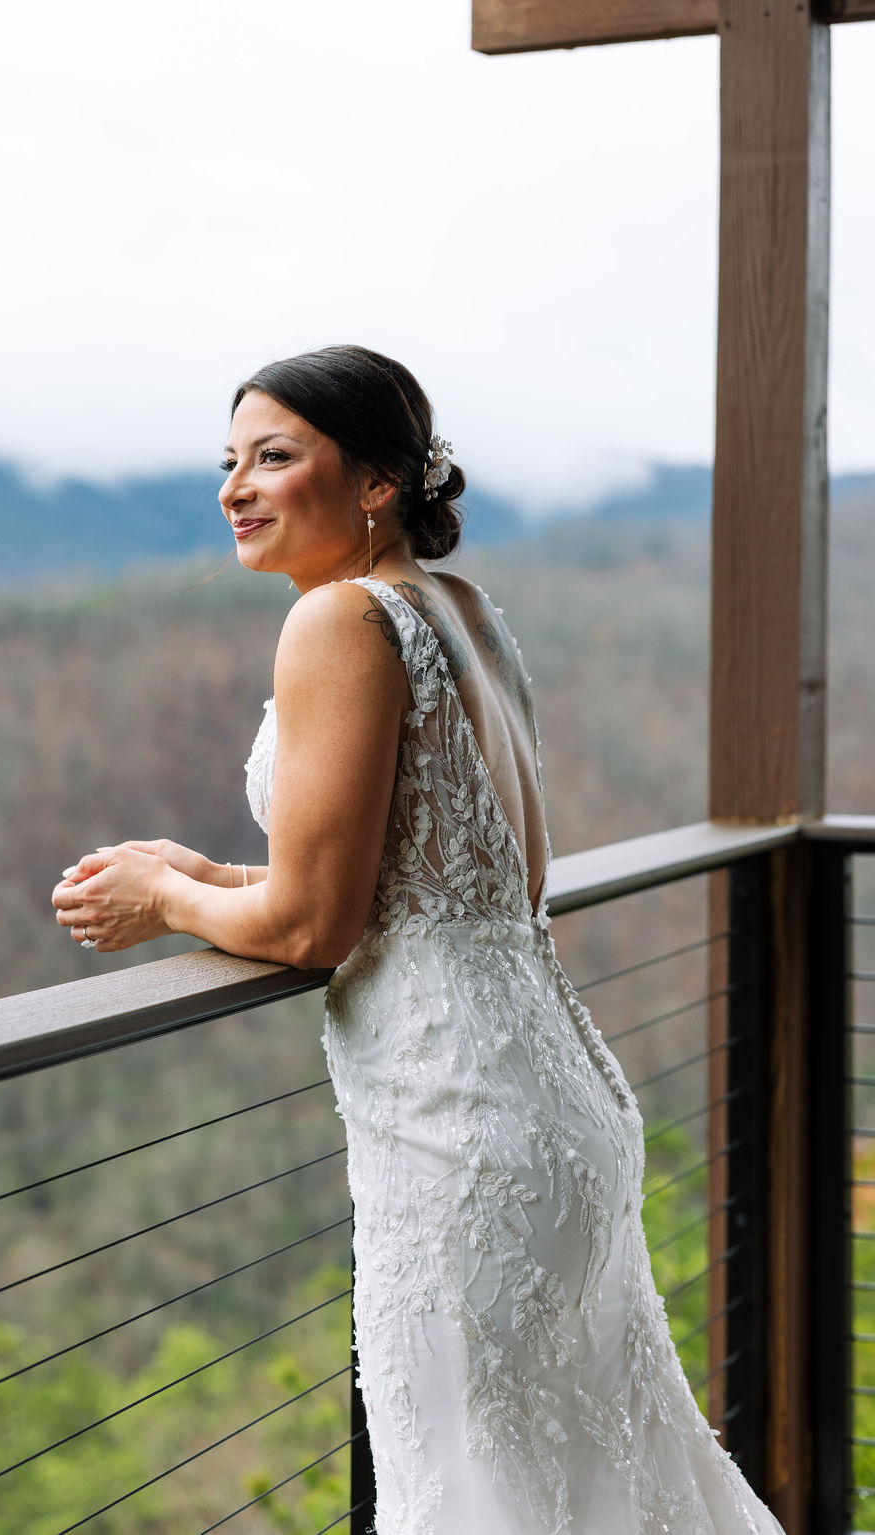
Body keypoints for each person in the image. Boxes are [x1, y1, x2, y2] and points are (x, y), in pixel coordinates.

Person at [52, 345, 785, 1534]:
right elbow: (467, 879)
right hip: (557, 1112)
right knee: (599, 1483)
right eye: (228, 462)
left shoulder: (332, 620)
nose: (236, 486)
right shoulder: (461, 611)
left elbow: (311, 925)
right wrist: (208, 867)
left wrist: (165, 901)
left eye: (274, 457)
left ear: (379, 480)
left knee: (481, 1495)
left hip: (462, 1141)